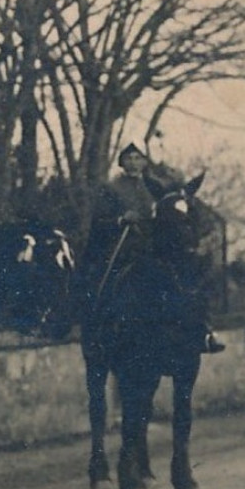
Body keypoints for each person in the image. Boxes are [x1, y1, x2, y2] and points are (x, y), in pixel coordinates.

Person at [83, 143, 225, 353]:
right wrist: (122, 220)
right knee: (108, 278)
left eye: (138, 158)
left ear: (144, 162)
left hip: (156, 246)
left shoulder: (156, 186)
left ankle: (204, 330)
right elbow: (99, 221)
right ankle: (102, 325)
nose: (133, 162)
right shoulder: (111, 188)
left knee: (190, 278)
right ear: (122, 162)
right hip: (126, 245)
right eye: (129, 158)